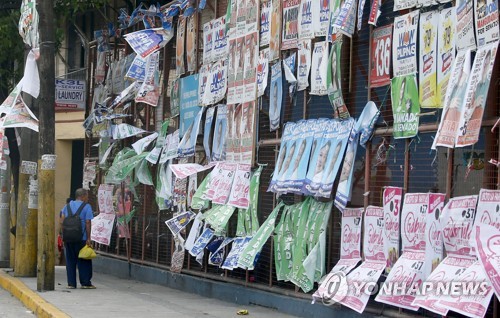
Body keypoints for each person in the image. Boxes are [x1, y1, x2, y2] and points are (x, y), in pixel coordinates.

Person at [60, 188, 95, 289]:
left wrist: (64, 235)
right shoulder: (87, 206)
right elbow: (88, 222)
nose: (87, 198)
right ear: (83, 196)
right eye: (87, 196)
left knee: (70, 260)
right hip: (82, 238)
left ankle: (71, 283)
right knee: (83, 259)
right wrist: (88, 238)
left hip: (69, 238)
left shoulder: (67, 206)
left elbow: (62, 221)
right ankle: (85, 283)